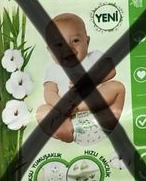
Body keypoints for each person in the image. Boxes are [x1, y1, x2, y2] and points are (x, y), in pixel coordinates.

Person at [35, 13, 125, 145]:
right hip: (71, 122)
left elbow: (111, 70)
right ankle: (65, 131)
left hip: (101, 117)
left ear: (87, 41)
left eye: (75, 41)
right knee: (41, 111)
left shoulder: (94, 57)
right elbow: (49, 92)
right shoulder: (53, 70)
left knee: (117, 87)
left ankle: (79, 107)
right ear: (50, 50)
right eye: (59, 44)